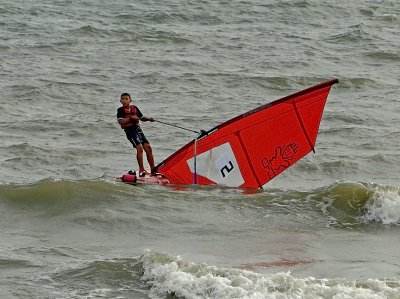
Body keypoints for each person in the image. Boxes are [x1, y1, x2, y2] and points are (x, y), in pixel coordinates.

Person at [117, 93, 156, 177]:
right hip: (130, 131)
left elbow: (141, 118)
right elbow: (120, 121)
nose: (124, 100)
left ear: (130, 100)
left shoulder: (134, 108)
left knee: (148, 147)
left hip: (138, 130)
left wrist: (149, 119)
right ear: (120, 101)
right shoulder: (120, 110)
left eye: (126, 99)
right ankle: (142, 169)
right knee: (140, 148)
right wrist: (131, 118)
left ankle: (153, 169)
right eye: (123, 99)